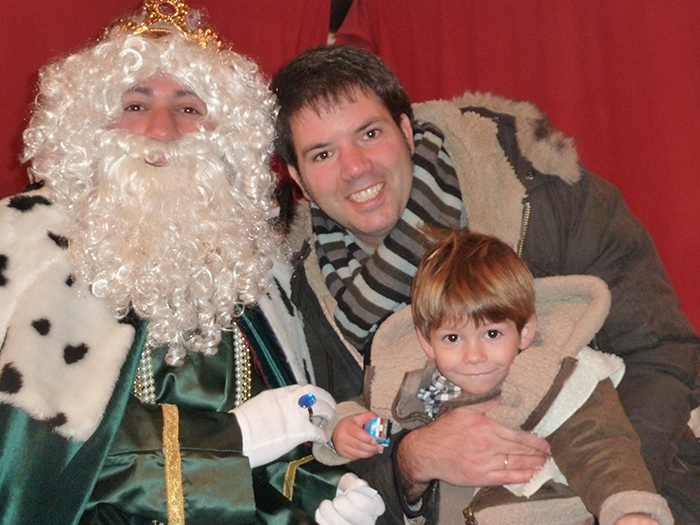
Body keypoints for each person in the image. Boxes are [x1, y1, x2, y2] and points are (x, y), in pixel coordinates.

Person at [271, 44, 700, 523]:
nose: (355, 167)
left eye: (370, 134)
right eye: (323, 153)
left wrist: (606, 499)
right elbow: (330, 450)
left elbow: (661, 354)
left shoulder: (543, 196)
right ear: (299, 179)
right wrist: (411, 461)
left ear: (406, 131)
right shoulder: (298, 290)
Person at [0, 5, 386, 524]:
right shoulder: (20, 241)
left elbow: (280, 443)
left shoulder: (250, 267)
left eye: (188, 108)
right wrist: (231, 439)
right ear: (89, 123)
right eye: (136, 105)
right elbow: (31, 455)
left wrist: (320, 494)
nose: (163, 130)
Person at [324, 228, 672, 524]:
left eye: (492, 334)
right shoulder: (413, 389)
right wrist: (346, 426)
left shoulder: (556, 379)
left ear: (524, 331)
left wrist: (630, 511)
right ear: (427, 342)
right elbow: (373, 422)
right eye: (452, 338)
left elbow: (601, 449)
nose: (474, 355)